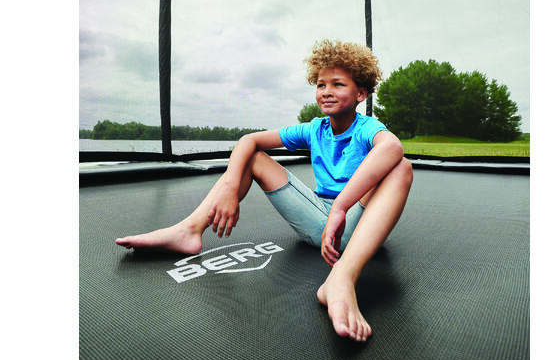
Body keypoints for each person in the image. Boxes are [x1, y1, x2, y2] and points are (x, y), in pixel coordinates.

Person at [116, 39, 413, 342]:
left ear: (361, 93)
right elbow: (249, 140)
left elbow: (392, 147)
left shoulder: (366, 128)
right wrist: (230, 188)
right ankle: (189, 230)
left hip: (355, 229)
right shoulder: (315, 129)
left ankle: (341, 278)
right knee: (253, 156)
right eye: (321, 84)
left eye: (338, 84)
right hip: (318, 223)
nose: (326, 91)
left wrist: (341, 207)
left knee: (400, 166)